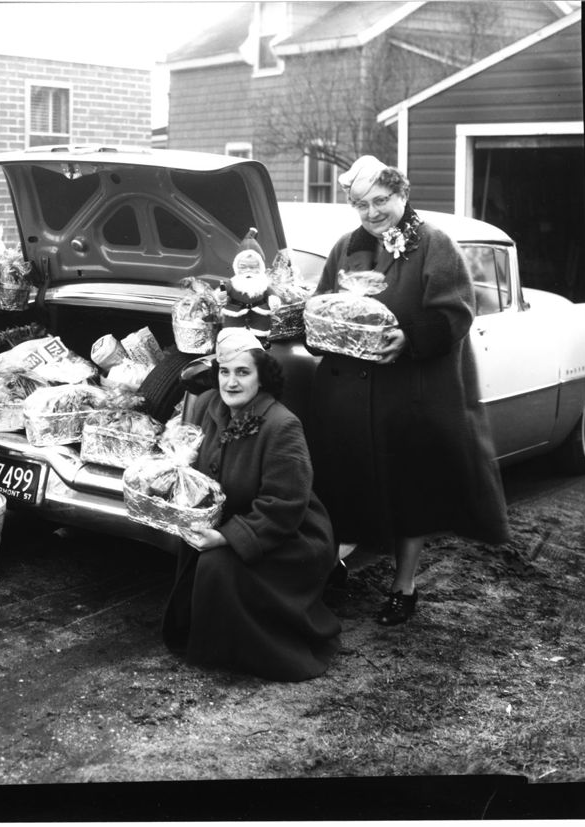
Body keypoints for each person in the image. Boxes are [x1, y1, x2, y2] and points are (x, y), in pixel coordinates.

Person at [307, 155, 509, 626]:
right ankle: (336, 563)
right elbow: (322, 304)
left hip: (409, 394)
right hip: (348, 398)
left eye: (381, 200)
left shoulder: (434, 244)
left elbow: (457, 312)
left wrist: (410, 337)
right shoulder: (345, 248)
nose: (373, 212)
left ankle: (404, 587)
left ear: (402, 195)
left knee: (409, 492)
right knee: (345, 483)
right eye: (361, 204)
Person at [161, 327, 342, 682]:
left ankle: (255, 652)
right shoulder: (213, 408)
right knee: (192, 550)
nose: (231, 382)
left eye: (243, 372)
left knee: (217, 564)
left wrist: (226, 537)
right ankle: (207, 636)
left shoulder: (282, 424)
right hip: (238, 519)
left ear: (263, 376)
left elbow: (284, 504)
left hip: (289, 534)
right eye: (224, 372)